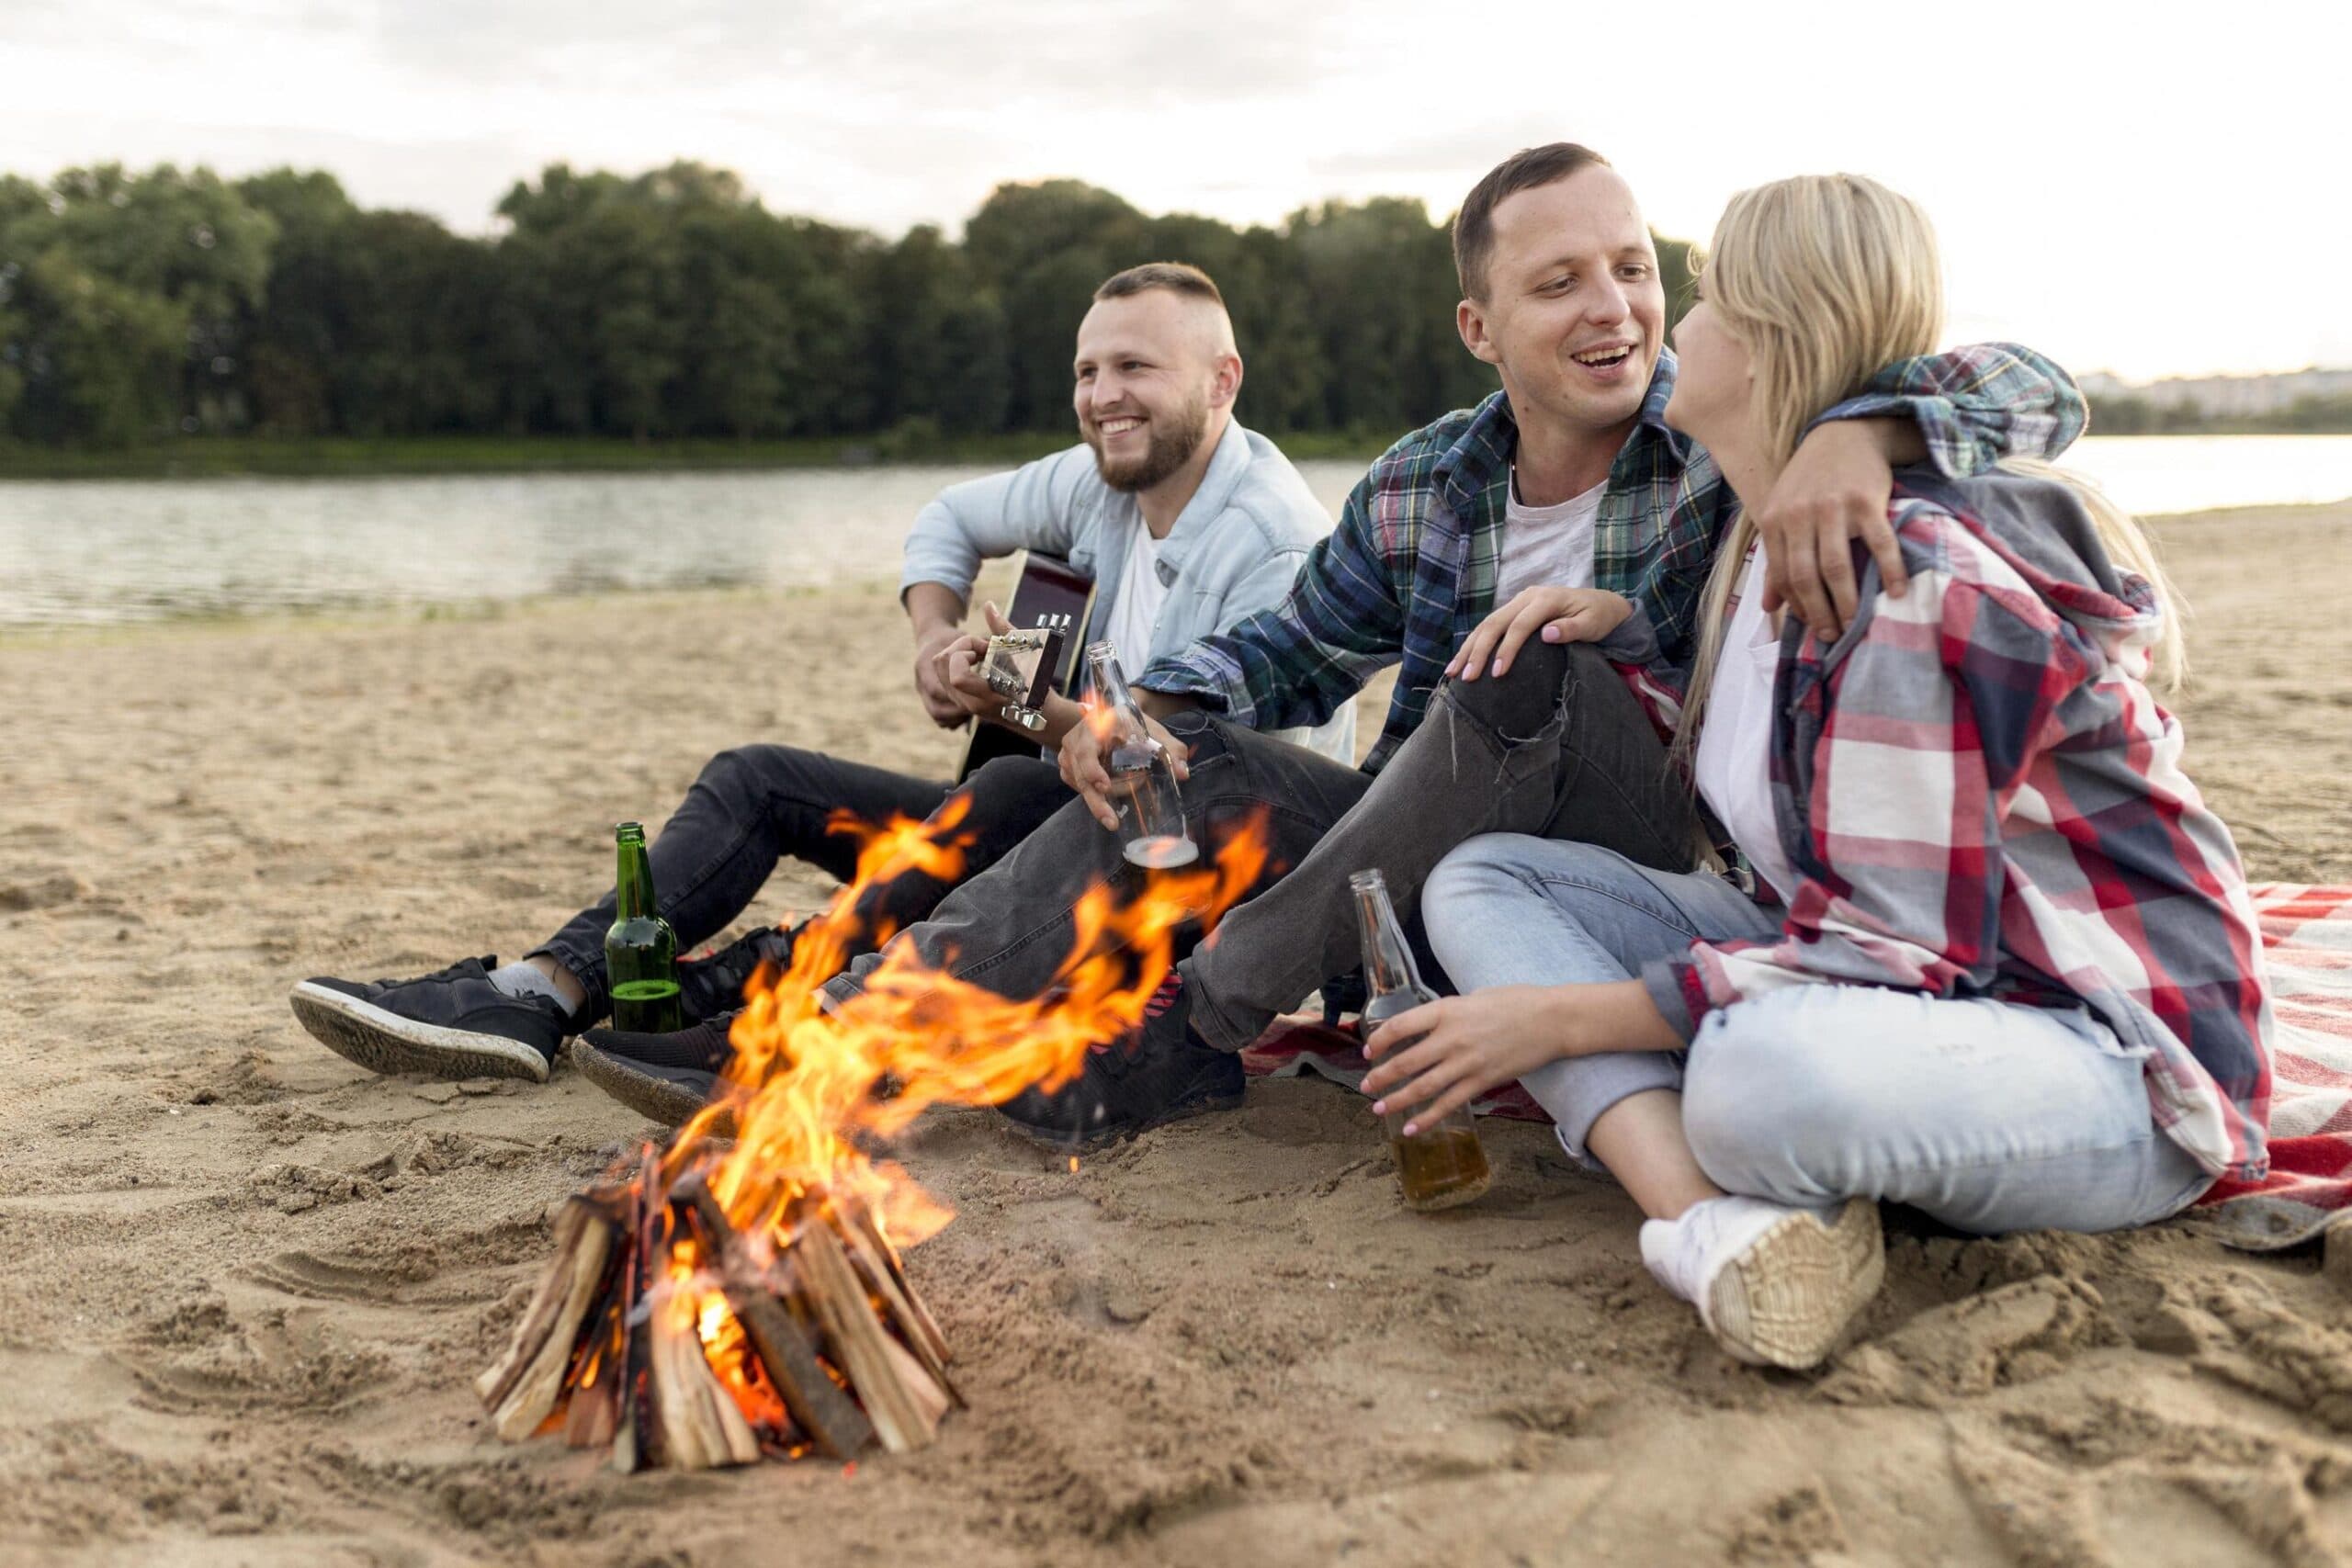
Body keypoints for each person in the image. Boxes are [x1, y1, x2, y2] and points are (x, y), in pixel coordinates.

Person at [786, 143, 2088, 1149]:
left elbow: (2036, 389)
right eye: (1559, 283)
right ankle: (856, 1026)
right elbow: (1290, 647)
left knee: (1535, 662)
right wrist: (1155, 708)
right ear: (1480, 329)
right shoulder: (1424, 480)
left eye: (1635, 269)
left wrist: (1863, 431)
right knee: (1195, 755)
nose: (1617, 308)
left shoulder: (1725, 435)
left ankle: (1202, 1016)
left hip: (1626, 873)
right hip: (1404, 860)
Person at [1363, 173, 2274, 1370]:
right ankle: (1716, 1224)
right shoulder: (1754, 548)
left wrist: (1557, 1017)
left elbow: (1889, 949)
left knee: (1753, 1086)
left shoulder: (1901, 572)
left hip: (2101, 1049)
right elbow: (1794, 825)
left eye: (1701, 294)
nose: (1669, 320)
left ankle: (1713, 1184)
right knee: (1483, 878)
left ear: (1762, 341)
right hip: (1916, 984)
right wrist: (1626, 646)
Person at [288, 261, 1351, 1110]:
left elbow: (1175, 772)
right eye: (1086, 371)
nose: (1102, 396)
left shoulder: (1270, 543)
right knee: (758, 778)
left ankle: (755, 1009)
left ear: (1222, 381)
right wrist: (936, 640)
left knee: (1007, 791)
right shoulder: (1104, 481)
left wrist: (1025, 706)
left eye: (1135, 368)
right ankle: (542, 991)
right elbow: (949, 520)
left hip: (1179, 886)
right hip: (1047, 819)